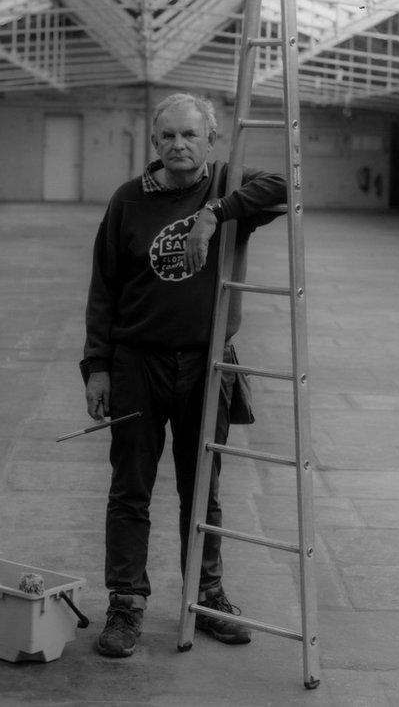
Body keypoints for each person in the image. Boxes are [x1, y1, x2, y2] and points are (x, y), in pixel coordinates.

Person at [81, 92, 286, 658]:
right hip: (135, 364)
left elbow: (291, 186)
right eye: (168, 136)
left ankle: (207, 596)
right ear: (155, 143)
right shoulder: (128, 201)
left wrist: (215, 213)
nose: (178, 145)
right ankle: (126, 604)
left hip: (207, 364)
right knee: (131, 490)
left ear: (210, 140)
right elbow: (104, 289)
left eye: (190, 135)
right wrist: (97, 368)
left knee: (204, 490)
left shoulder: (230, 187)